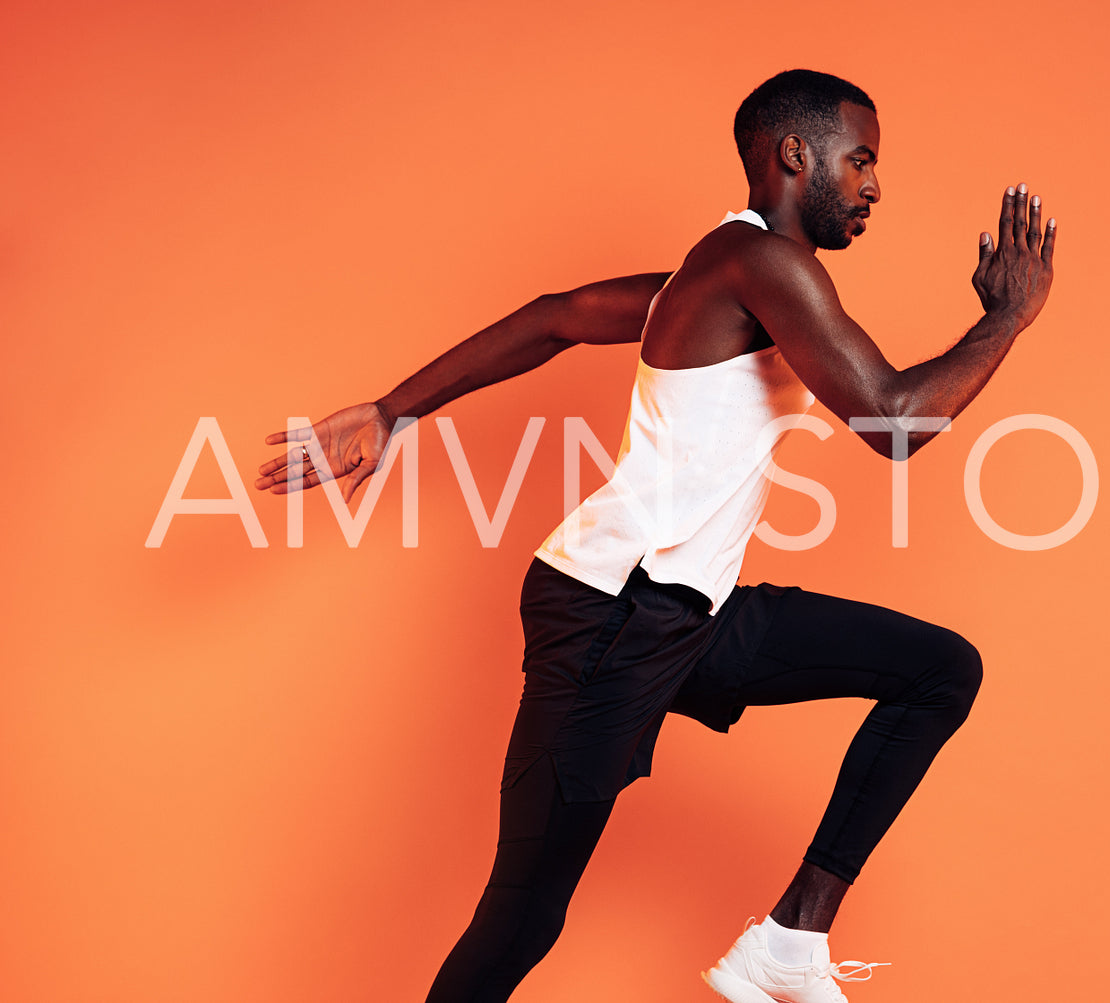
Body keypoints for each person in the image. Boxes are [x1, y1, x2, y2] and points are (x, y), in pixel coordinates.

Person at [255, 69, 1056, 1003]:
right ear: (796, 155)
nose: (876, 186)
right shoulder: (764, 264)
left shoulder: (723, 272)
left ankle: (789, 942)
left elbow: (558, 317)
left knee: (937, 669)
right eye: (862, 159)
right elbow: (894, 421)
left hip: (690, 614)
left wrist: (394, 409)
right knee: (522, 915)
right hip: (610, 617)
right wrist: (1005, 317)